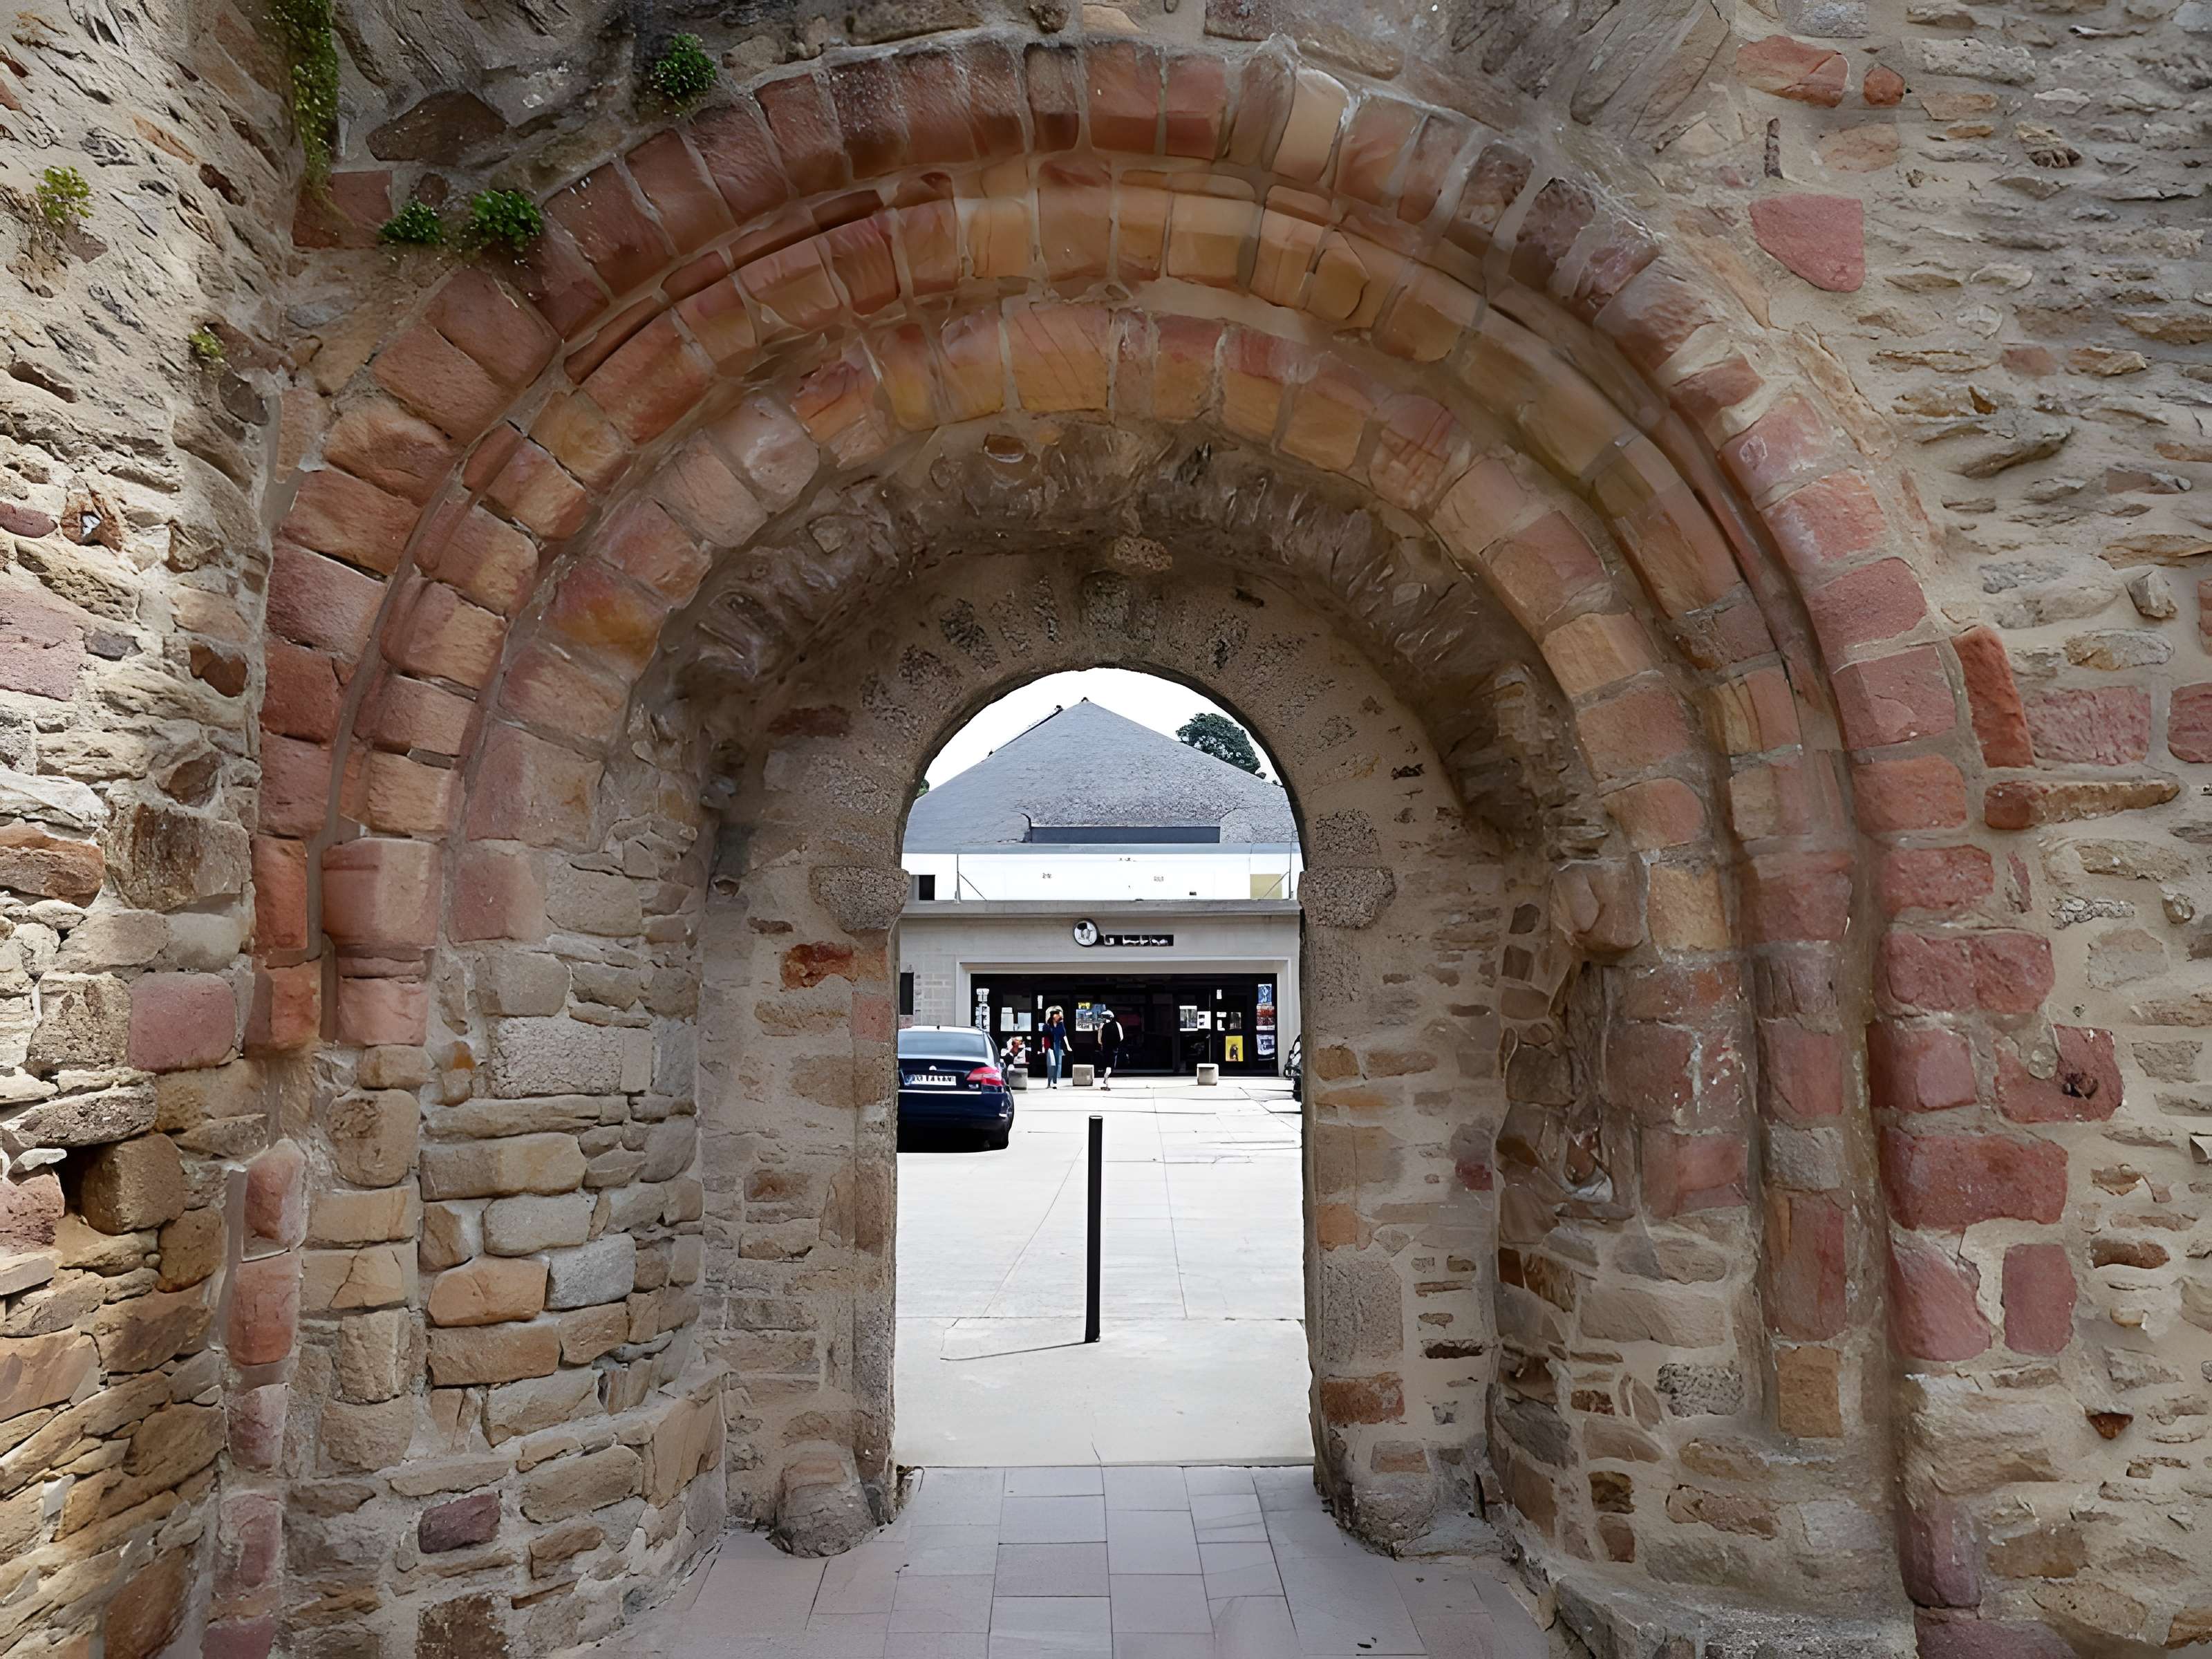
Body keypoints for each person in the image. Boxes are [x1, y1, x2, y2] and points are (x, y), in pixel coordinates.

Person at [1096, 1007, 1125, 1091]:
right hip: (1114, 1048)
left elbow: (1099, 1040)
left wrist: (1104, 1044)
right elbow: (1121, 1037)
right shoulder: (1117, 1024)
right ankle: (1107, 1077)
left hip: (1105, 1048)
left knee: (1106, 1064)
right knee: (1111, 1066)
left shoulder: (1102, 1026)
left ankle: (1106, 1081)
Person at [1043, 1007, 1069, 1089]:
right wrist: (1043, 1047)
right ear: (1053, 1016)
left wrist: (1068, 1046)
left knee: (1057, 1063)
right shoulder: (1047, 1026)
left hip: (1057, 1045)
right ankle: (1049, 1082)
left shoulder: (1060, 1025)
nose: (1059, 1017)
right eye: (1057, 1015)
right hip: (1049, 1046)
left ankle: (1055, 1081)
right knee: (1051, 1064)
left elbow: (1064, 1035)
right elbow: (1044, 1037)